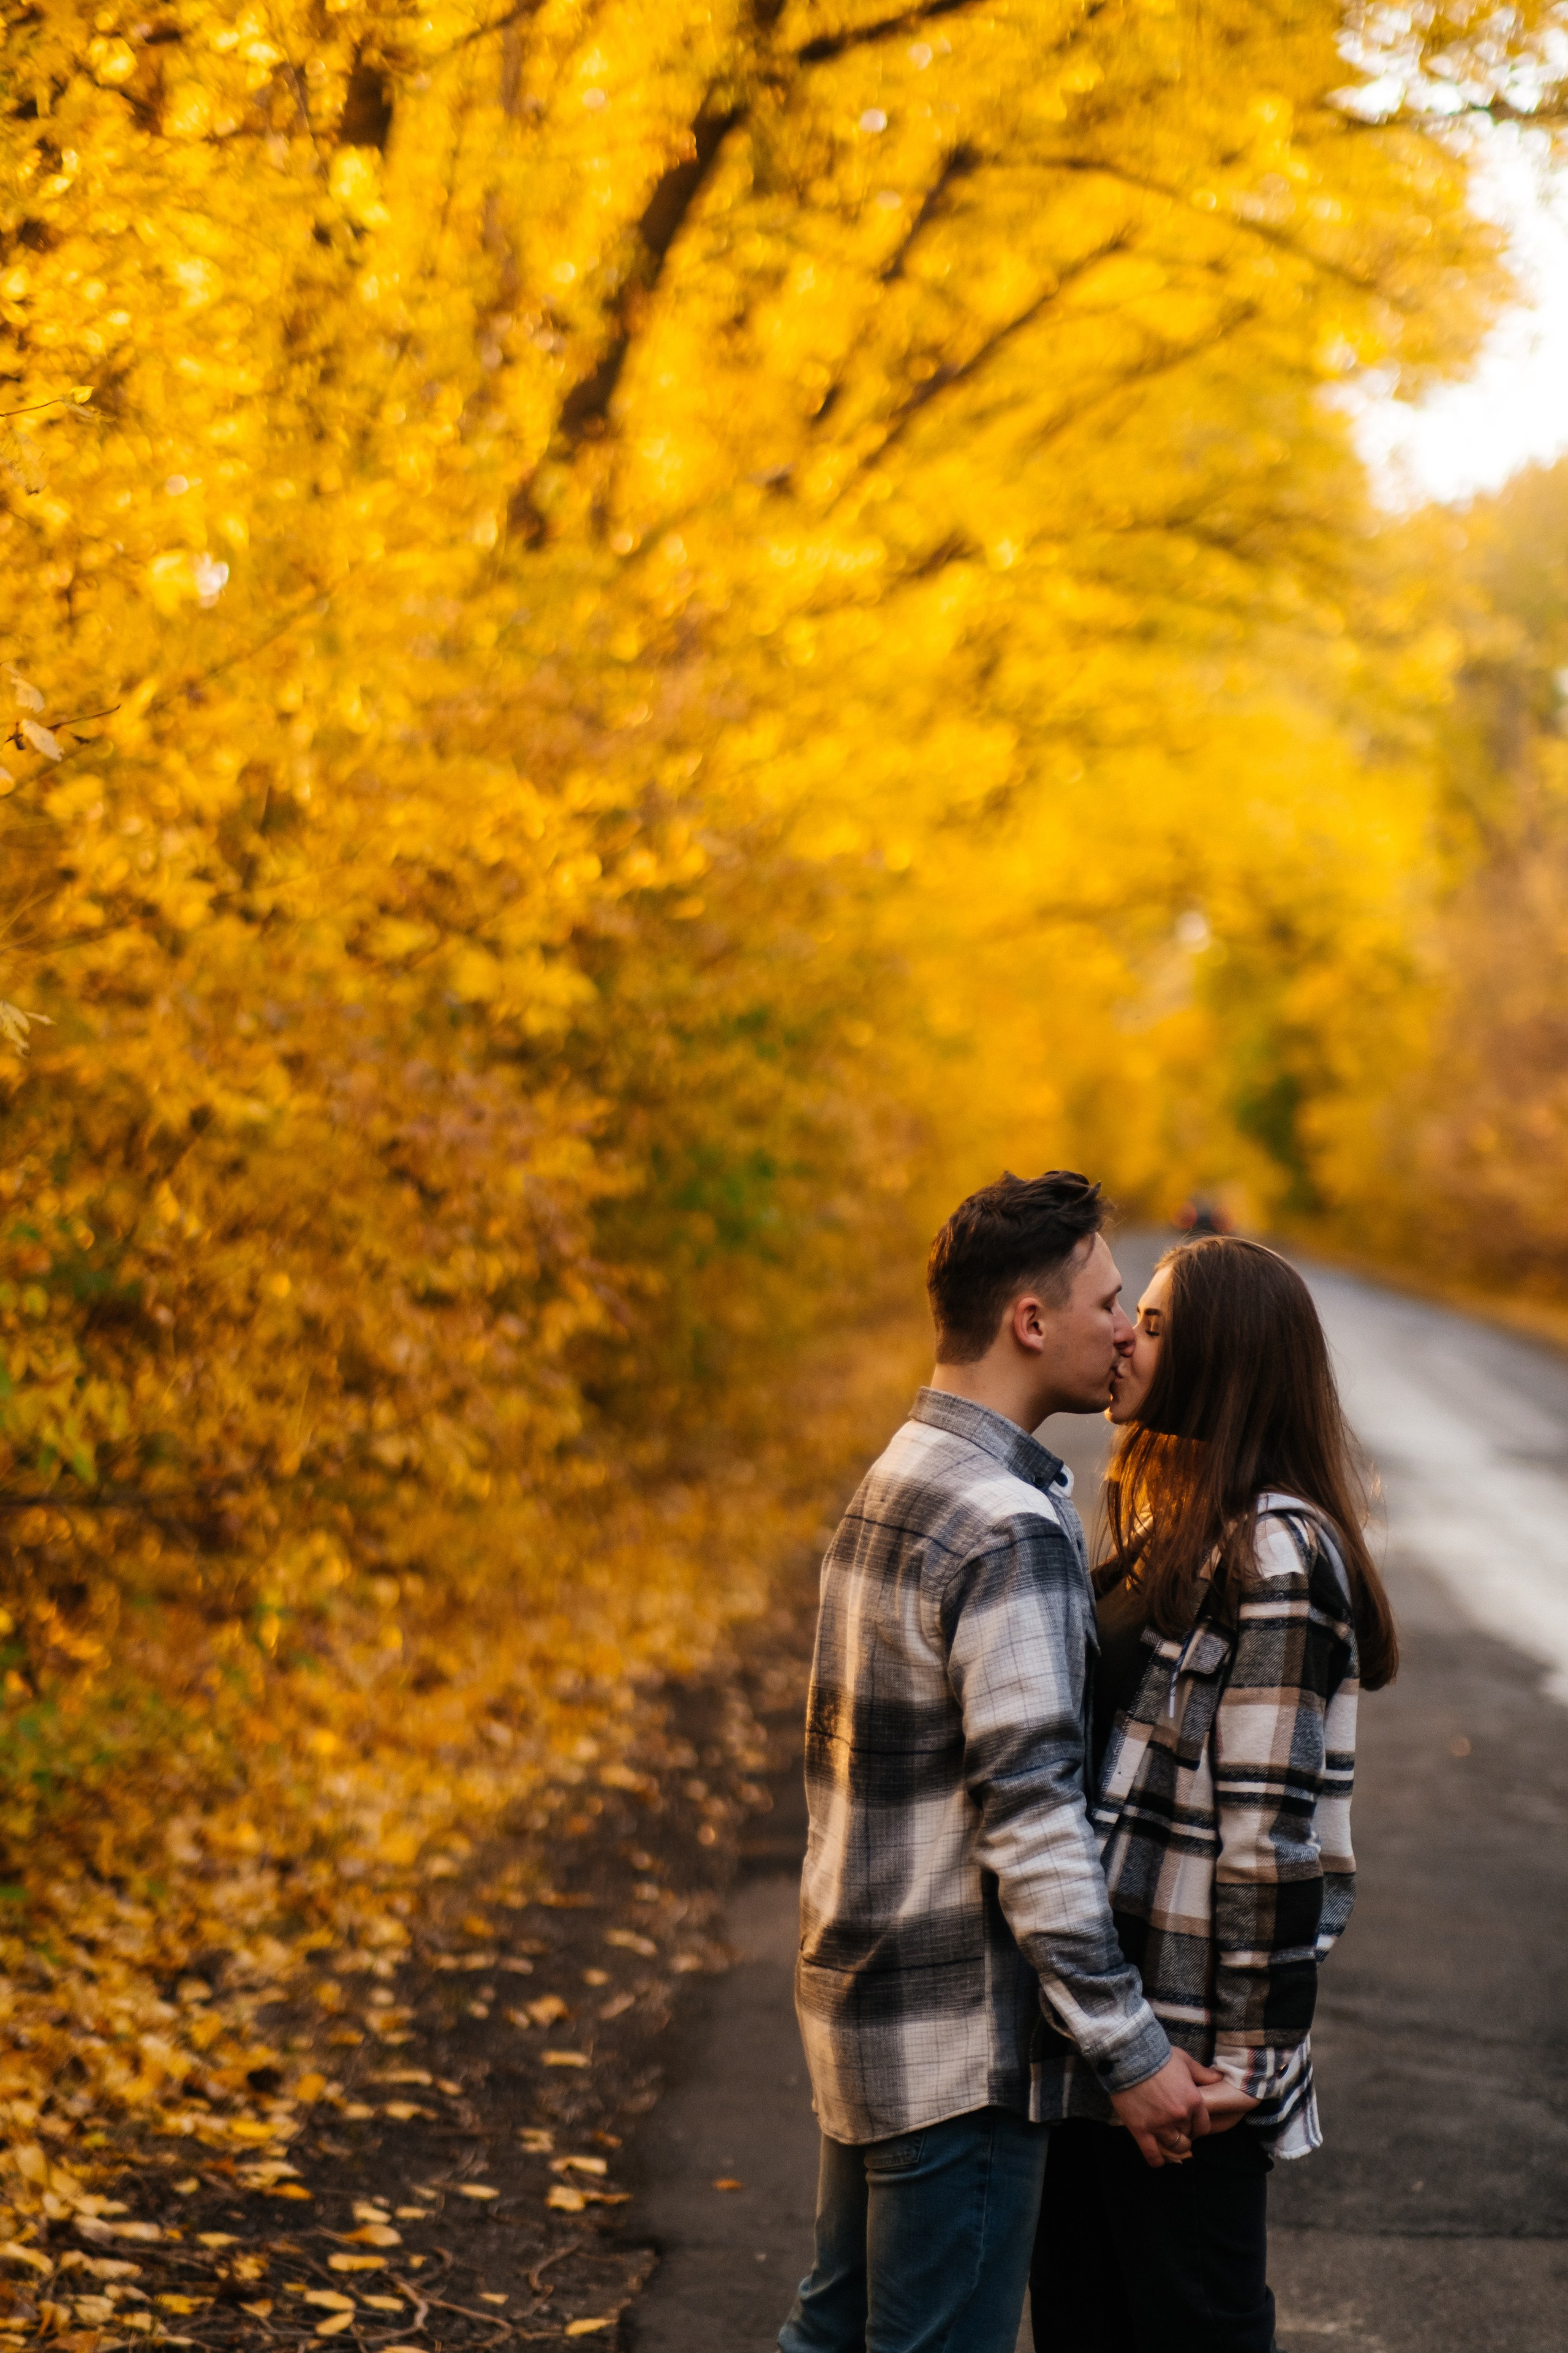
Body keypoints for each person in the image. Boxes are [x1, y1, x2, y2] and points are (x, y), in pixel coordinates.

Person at [778, 1173, 1217, 2353]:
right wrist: (1130, 2051)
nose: (1129, 1329)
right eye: (1112, 1301)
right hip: (959, 2052)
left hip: (866, 2007)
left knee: (831, 2333)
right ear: (1033, 1321)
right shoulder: (1006, 1525)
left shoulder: (901, 1477)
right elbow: (1030, 1820)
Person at [1030, 1236, 1399, 2353]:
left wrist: (1244, 2062)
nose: (1128, 1338)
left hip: (1191, 2059)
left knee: (1197, 2327)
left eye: (1151, 1317)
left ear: (1221, 1352)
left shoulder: (1279, 1556)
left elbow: (1270, 1838)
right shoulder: (1168, 1528)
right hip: (1109, 2036)